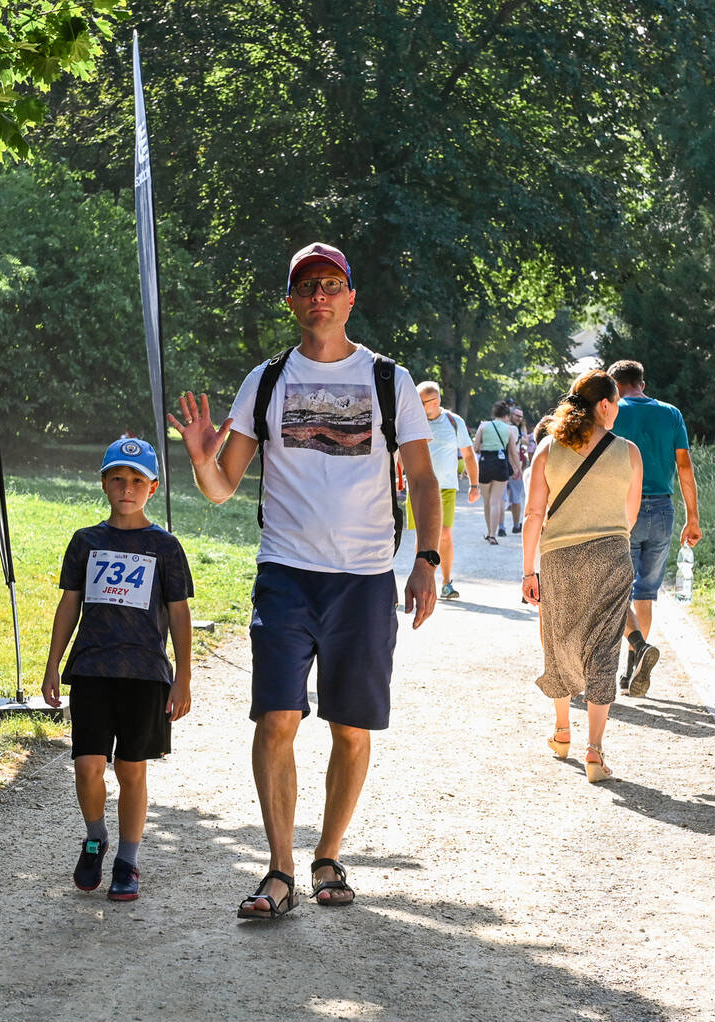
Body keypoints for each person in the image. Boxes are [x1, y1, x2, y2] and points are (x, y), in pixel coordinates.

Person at [167, 241, 440, 918]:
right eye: (307, 285)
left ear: (350, 297)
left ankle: (328, 855)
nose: (320, 294)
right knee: (276, 718)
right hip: (286, 574)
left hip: (364, 578)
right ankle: (280, 869)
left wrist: (427, 560)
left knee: (351, 728)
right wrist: (201, 459)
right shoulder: (264, 381)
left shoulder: (388, 379)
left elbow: (423, 477)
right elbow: (222, 487)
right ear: (290, 301)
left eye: (331, 283)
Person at [41, 437, 192, 902]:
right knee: (88, 765)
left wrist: (183, 676)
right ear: (104, 483)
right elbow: (69, 604)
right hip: (92, 668)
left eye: (137, 481)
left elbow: (179, 612)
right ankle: (95, 838)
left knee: (131, 769)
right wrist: (52, 664)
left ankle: (128, 860)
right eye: (118, 479)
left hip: (145, 674)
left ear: (153, 487)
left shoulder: (164, 546)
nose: (127, 488)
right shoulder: (86, 541)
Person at [522, 370, 643, 783]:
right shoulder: (629, 452)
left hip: (559, 557)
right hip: (612, 556)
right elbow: (629, 516)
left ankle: (561, 731)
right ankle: (595, 752)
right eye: (616, 404)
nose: (617, 411)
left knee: (557, 640)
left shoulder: (547, 448)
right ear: (604, 405)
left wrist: (528, 570)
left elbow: (533, 515)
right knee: (604, 649)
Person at [606, 360, 701, 697]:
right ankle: (633, 667)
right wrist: (693, 517)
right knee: (645, 592)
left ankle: (633, 651)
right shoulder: (671, 413)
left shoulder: (612, 411)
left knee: (615, 590)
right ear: (642, 384)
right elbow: (685, 466)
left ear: (615, 386)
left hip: (623, 508)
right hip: (663, 509)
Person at [413, 380, 480, 599]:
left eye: (421, 402)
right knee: (422, 537)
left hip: (446, 488)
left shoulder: (454, 422)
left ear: (435, 401)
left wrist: (474, 485)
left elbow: (468, 455)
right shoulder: (413, 421)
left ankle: (446, 582)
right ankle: (424, 581)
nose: (417, 406)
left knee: (444, 534)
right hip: (419, 487)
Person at [473, 401, 520, 544]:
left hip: (485, 464)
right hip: (501, 465)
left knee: (487, 502)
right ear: (507, 415)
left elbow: (475, 447)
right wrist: (517, 468)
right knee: (496, 502)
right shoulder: (509, 429)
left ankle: (489, 532)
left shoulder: (483, 426)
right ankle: (493, 535)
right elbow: (513, 452)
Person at [501, 406, 532, 536]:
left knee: (515, 497)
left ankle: (514, 526)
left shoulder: (519, 427)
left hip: (515, 462)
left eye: (521, 416)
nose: (519, 418)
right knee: (503, 498)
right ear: (510, 415)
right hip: (508, 463)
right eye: (517, 415)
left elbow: (526, 441)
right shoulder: (507, 427)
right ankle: (502, 527)